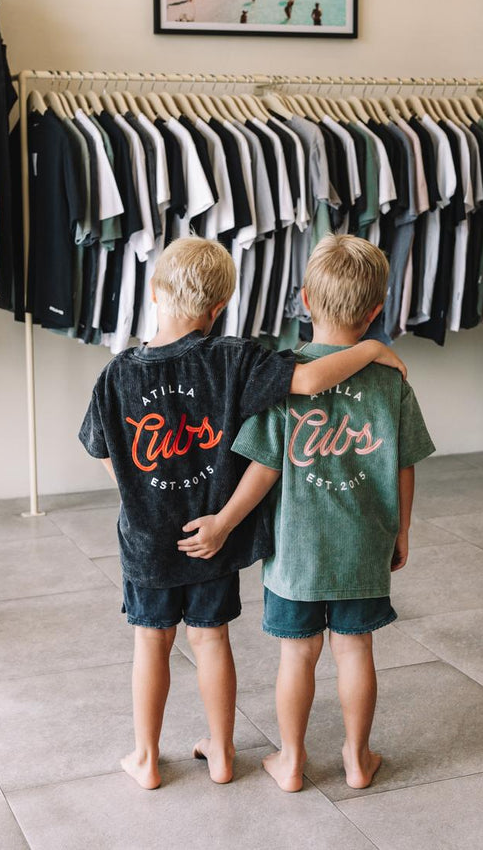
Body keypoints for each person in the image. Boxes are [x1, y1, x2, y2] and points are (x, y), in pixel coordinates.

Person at [79, 237, 407, 792]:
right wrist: (374, 350)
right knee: (210, 640)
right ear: (218, 309)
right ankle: (225, 754)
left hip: (150, 541)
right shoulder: (235, 358)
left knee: (150, 641)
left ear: (155, 293)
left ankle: (146, 758)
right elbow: (306, 380)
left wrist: (141, 495)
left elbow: (104, 450)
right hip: (215, 533)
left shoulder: (117, 374)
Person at [182, 235, 434, 794]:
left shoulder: (284, 376)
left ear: (302, 299)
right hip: (364, 544)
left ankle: (291, 761)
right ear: (376, 310)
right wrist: (401, 528)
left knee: (297, 655)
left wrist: (222, 521)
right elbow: (404, 464)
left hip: (295, 548)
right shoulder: (390, 378)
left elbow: (264, 468)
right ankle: (355, 759)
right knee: (355, 649)